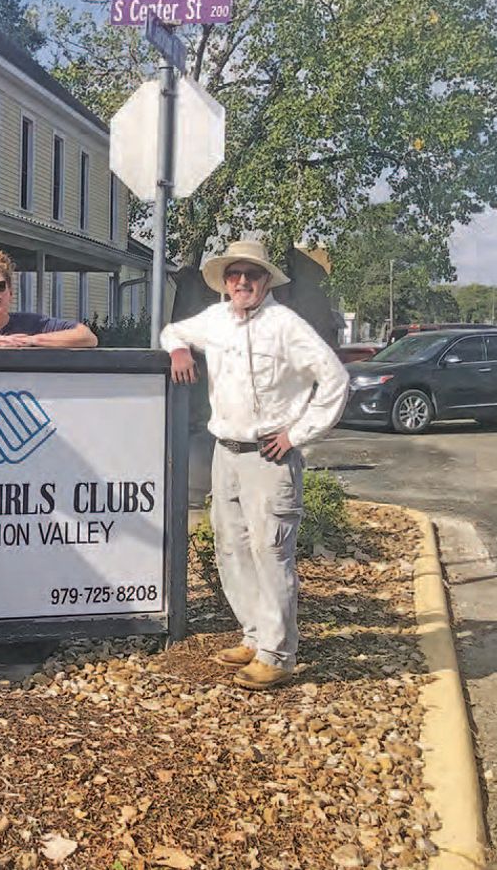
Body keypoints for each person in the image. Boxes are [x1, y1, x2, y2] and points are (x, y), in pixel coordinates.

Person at [161, 239, 348, 691]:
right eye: (234, 274)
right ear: (224, 281)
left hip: (270, 456)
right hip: (224, 451)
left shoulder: (286, 325)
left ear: (266, 281)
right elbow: (173, 332)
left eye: (252, 274)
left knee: (271, 554)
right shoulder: (216, 319)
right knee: (231, 548)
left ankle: (278, 654)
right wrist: (179, 350)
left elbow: (335, 379)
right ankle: (254, 635)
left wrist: (296, 435)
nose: (242, 282)